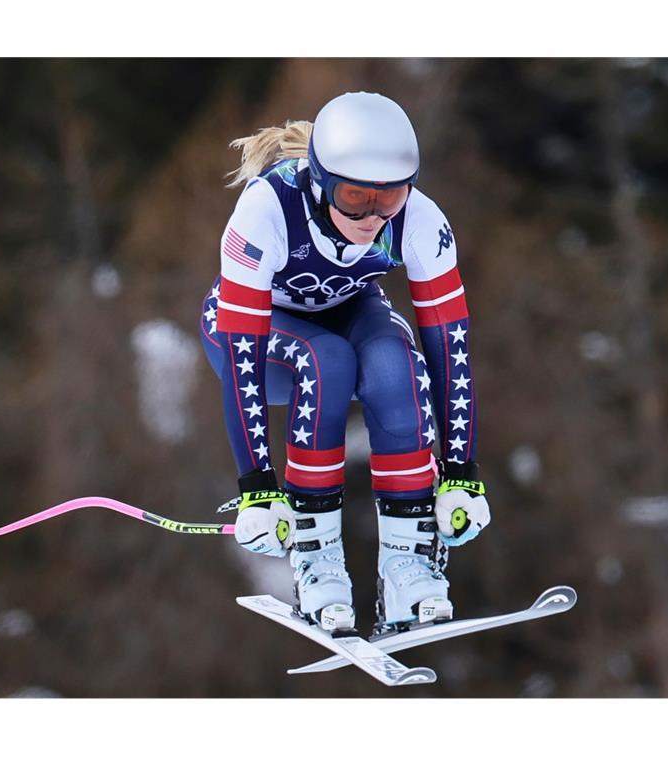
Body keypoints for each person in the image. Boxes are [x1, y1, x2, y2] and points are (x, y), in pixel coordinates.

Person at [199, 92, 490, 635]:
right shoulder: (266, 211)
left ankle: (408, 564)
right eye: (355, 198)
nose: (372, 217)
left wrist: (460, 475)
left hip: (348, 309)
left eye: (390, 198)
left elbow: (450, 348)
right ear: (320, 183)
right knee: (325, 359)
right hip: (257, 338)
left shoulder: (421, 221)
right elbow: (243, 355)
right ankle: (317, 560)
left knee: (393, 364)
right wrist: (258, 488)